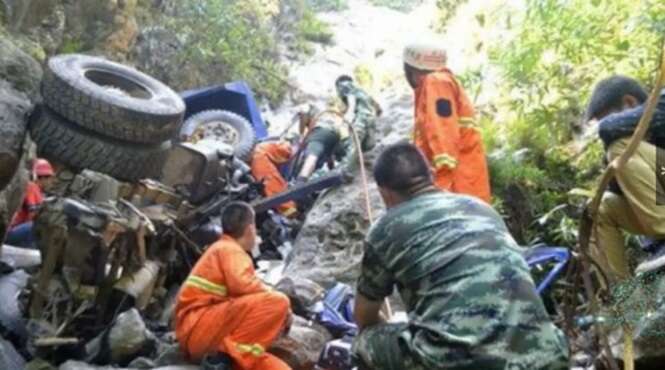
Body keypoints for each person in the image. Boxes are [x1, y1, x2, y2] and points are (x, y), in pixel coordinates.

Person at [352, 142, 568, 370]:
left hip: (459, 363)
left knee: (363, 342)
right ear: (432, 175)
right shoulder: (481, 207)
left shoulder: (386, 228)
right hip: (545, 355)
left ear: (384, 193)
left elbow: (364, 317)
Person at [175, 202, 292, 370]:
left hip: (204, 332)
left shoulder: (222, 248)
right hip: (201, 330)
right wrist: (284, 308)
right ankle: (223, 362)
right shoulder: (230, 249)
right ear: (250, 228)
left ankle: (232, 359)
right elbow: (242, 285)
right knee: (279, 301)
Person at [585, 75, 665, 279]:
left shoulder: (661, 103)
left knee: (620, 147)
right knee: (599, 208)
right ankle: (622, 296)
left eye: (605, 116)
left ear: (629, 102)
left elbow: (608, 128)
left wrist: (607, 131)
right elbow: (618, 190)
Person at [403, 41, 491, 203]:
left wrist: (440, 183)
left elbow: (442, 130)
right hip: (466, 184)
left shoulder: (436, 83)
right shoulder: (441, 83)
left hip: (456, 185)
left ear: (411, 68)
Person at [334, 75, 382, 172]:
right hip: (370, 119)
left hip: (361, 118)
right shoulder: (361, 91)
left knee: (354, 144)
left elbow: (351, 98)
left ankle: (346, 171)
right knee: (367, 146)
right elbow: (377, 107)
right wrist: (377, 112)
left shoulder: (344, 85)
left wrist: (349, 113)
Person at [5, 158, 55, 248]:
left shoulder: (39, 192)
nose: (51, 182)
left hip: (16, 230)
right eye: (50, 179)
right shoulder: (32, 187)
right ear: (43, 177)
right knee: (35, 227)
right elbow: (33, 213)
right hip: (10, 232)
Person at [250, 141, 298, 217]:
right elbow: (277, 192)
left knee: (275, 190)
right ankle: (291, 214)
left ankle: (291, 214)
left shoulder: (262, 152)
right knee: (275, 189)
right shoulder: (261, 156)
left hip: (262, 153)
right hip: (262, 154)